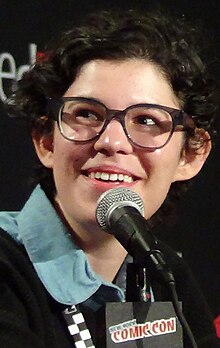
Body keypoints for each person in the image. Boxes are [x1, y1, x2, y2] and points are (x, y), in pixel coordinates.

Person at [0, 7, 219, 348]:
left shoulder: (167, 274)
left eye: (147, 120)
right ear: (46, 140)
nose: (111, 142)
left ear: (190, 156)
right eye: (86, 114)